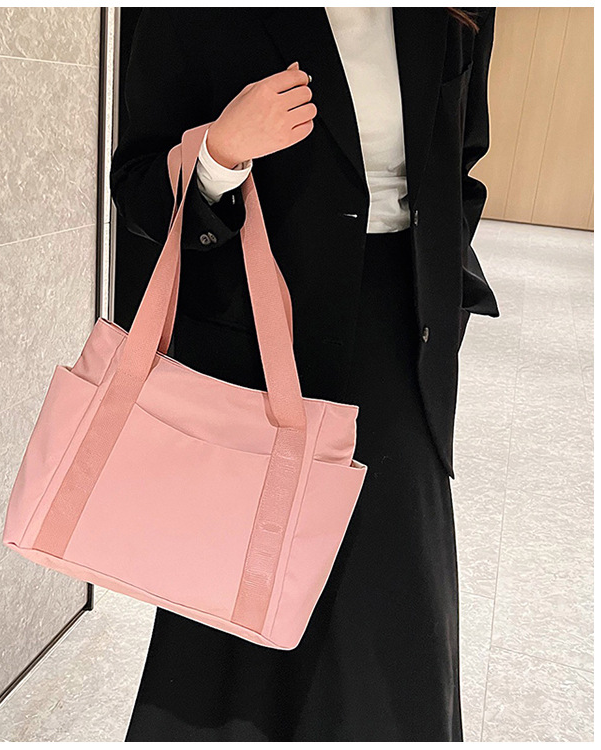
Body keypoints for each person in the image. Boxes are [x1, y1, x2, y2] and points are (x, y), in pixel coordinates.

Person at [109, 7, 500, 742]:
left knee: (393, 613)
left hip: (399, 349)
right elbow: (136, 184)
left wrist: (443, 289)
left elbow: (461, 162)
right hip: (254, 342)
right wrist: (221, 153)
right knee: (236, 623)